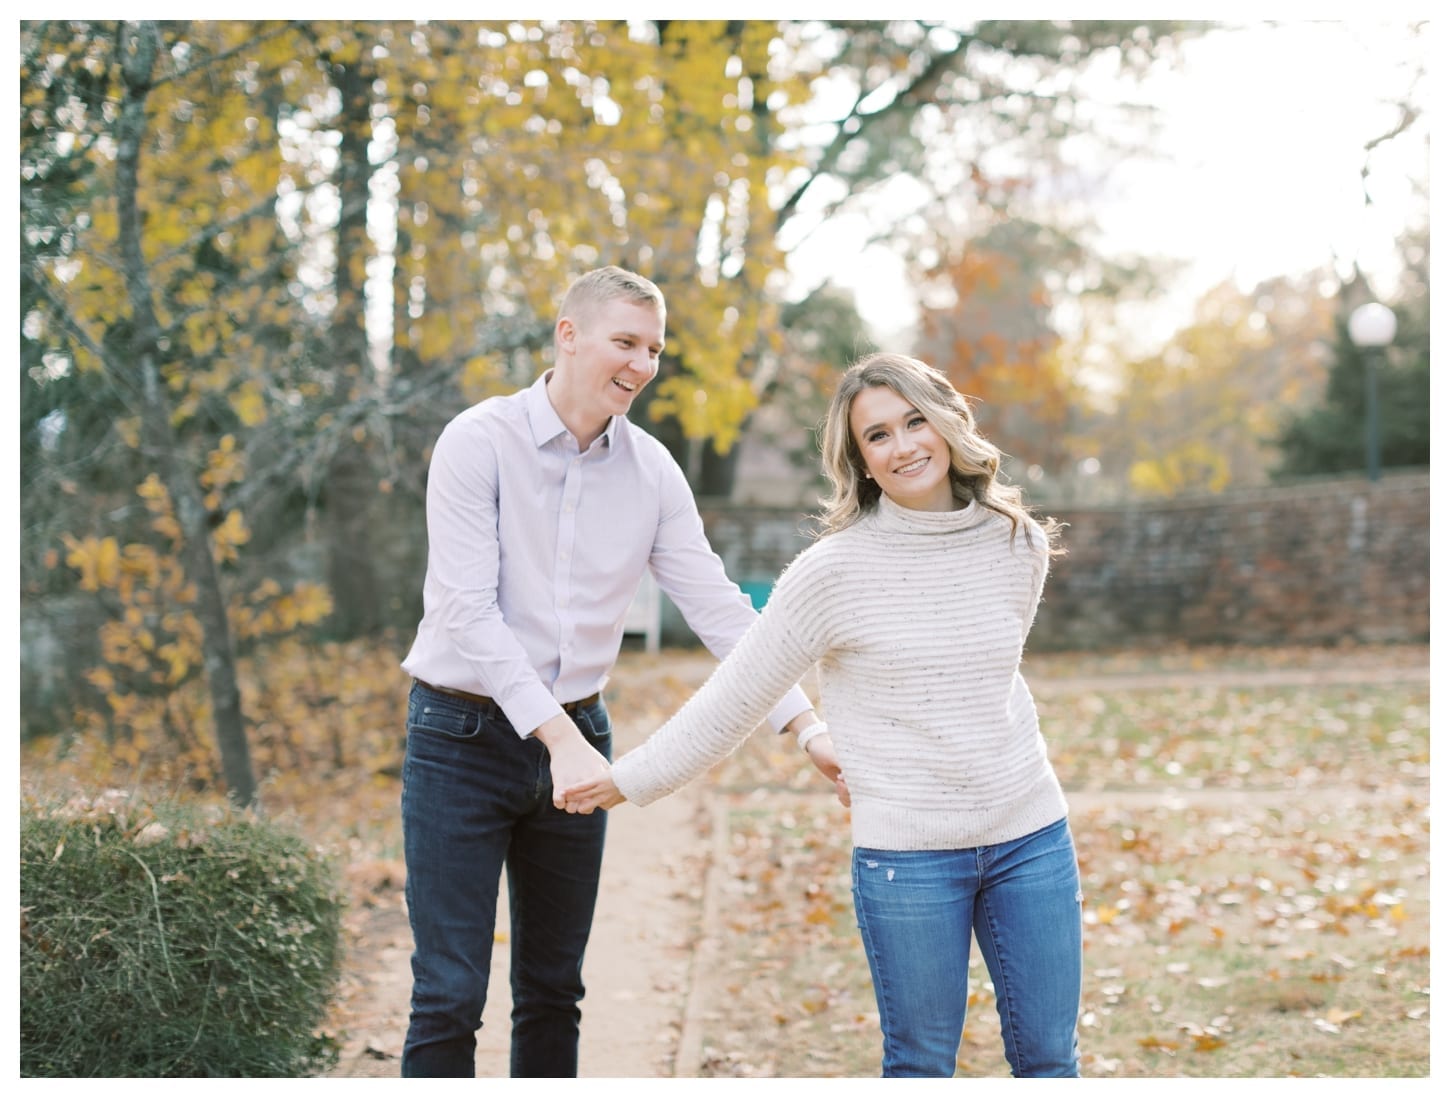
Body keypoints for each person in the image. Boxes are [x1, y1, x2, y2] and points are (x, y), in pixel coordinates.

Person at [561, 351, 1081, 1078]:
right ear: (860, 460)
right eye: (878, 436)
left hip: (1031, 836)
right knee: (921, 1068)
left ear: (945, 423)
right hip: (909, 856)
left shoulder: (1017, 543)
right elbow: (736, 696)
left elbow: (980, 684)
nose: (902, 446)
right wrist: (631, 779)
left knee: (1052, 1063)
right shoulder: (832, 573)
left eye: (913, 422)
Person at [398, 265, 837, 1077]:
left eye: (656, 349)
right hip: (459, 737)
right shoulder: (477, 440)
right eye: (626, 342)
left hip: (582, 738)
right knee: (449, 993)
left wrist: (806, 726)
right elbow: (467, 609)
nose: (642, 365)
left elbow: (719, 608)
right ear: (569, 334)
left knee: (554, 988)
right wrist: (557, 737)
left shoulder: (652, 471)